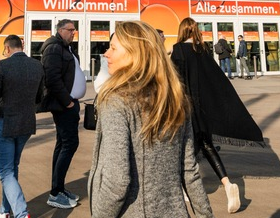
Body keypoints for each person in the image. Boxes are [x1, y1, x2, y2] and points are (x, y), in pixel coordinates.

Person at [91, 20, 215, 218]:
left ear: (134, 54)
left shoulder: (116, 101)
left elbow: (116, 182)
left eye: (113, 48)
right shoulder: (175, 100)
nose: (106, 53)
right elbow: (189, 171)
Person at [172, 17, 263, 213]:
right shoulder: (202, 51)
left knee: (182, 149)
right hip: (203, 110)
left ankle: (185, 190)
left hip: (186, 109)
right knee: (207, 146)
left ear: (182, 31)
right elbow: (215, 80)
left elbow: (174, 80)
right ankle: (228, 184)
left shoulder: (178, 50)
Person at [0, 34, 44, 218]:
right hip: (26, 124)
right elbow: (40, 97)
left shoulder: (3, 65)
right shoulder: (37, 66)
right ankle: (5, 210)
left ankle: (21, 213)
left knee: (5, 171)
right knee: (12, 167)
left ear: (8, 48)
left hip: (6, 122)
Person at [39, 18, 85, 209]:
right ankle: (56, 193)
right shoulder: (54, 48)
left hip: (69, 104)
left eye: (75, 30)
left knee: (63, 144)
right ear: (60, 30)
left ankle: (58, 188)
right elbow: (52, 78)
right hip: (63, 105)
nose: (73, 33)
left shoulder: (65, 48)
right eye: (70, 30)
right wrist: (67, 101)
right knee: (69, 143)